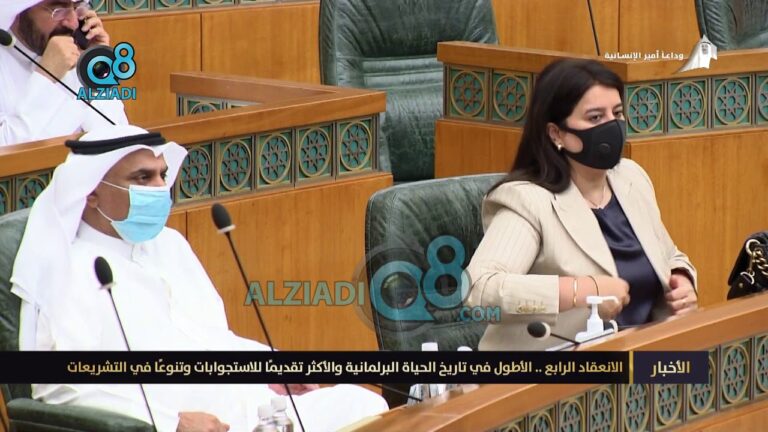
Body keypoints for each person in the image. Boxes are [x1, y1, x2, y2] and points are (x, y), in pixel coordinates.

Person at [10, 125, 388, 431]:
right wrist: (170, 423)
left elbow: (211, 339)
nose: (160, 188)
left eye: (162, 175)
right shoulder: (68, 268)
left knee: (364, 404)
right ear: (91, 192)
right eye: (142, 178)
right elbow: (61, 388)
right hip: (180, 425)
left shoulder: (170, 245)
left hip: (248, 410)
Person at [465, 59, 698, 351]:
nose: (612, 126)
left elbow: (669, 254)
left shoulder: (631, 177)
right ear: (556, 133)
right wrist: (581, 290)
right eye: (595, 117)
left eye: (617, 113)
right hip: (556, 369)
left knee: (708, 368)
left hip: (643, 354)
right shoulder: (529, 201)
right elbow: (480, 287)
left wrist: (681, 279)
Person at [0, 0, 128, 146]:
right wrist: (46, 77)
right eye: (58, 10)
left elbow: (119, 137)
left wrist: (93, 73)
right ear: (18, 11)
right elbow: (8, 151)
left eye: (77, 7)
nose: (73, 23)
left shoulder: (75, 50)